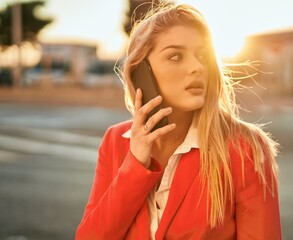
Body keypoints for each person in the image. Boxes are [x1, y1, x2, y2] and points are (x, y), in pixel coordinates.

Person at [76, 3, 282, 240]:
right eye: (175, 56)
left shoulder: (245, 148)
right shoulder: (115, 141)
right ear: (140, 72)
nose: (197, 67)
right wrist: (136, 164)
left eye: (202, 56)